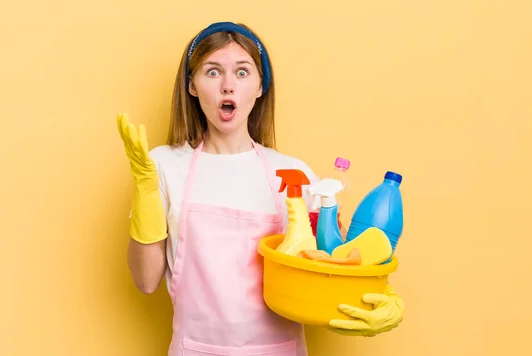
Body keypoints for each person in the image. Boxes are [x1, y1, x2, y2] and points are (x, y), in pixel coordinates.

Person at [116, 21, 404, 355]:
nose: (228, 86)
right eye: (212, 72)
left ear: (260, 86)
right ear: (192, 86)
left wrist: (385, 298)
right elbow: (145, 281)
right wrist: (146, 193)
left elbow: (336, 263)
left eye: (242, 72)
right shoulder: (164, 166)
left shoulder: (295, 173)